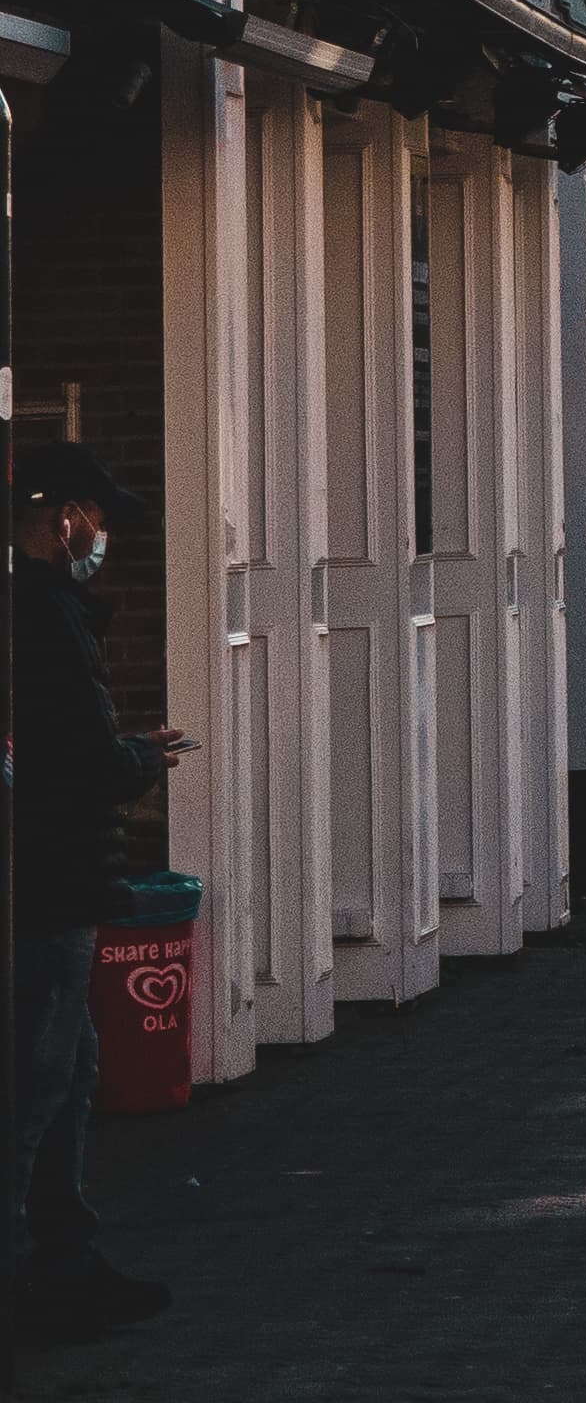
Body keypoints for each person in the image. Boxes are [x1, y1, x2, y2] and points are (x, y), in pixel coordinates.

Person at [12, 439, 186, 1339]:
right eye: (99, 519)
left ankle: (64, 1256)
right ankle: (43, 1268)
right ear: (67, 518)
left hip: (47, 878)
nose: (103, 536)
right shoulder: (47, 618)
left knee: (71, 1066)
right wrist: (142, 758)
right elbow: (81, 760)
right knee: (39, 1077)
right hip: (52, 881)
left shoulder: (40, 612)